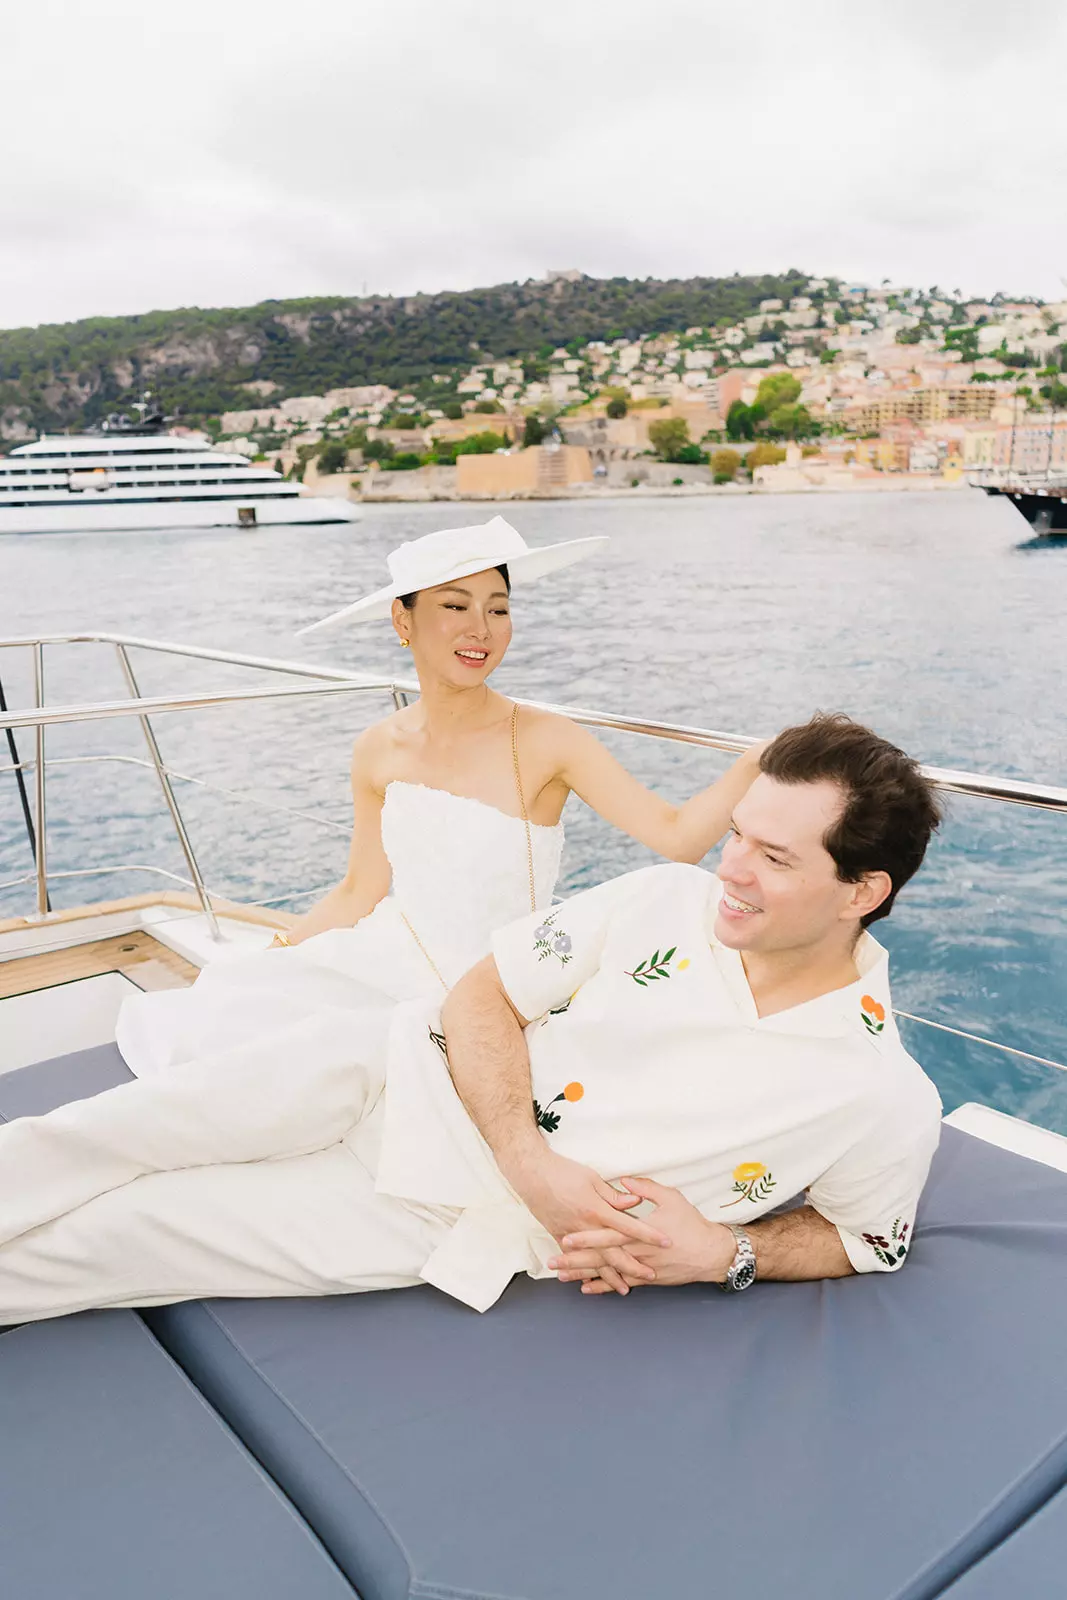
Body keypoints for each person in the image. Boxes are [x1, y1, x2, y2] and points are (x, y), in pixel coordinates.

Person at [0, 714, 945, 1325]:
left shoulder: (877, 1096)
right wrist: (531, 1161)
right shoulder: (662, 899)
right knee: (98, 1136)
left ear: (860, 892)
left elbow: (866, 1240)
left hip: (443, 1216)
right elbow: (482, 993)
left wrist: (720, 1253)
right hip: (389, 1064)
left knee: (112, 1242)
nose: (729, 867)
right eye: (737, 833)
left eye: (774, 858)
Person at [118, 514, 764, 1077]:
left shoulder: (547, 740)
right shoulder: (379, 747)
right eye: (455, 606)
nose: (481, 628)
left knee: (322, 1071)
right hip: (387, 960)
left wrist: (758, 759)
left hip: (494, 983)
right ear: (404, 620)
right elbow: (359, 890)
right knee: (235, 1017)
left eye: (498, 608)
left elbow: (677, 837)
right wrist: (279, 952)